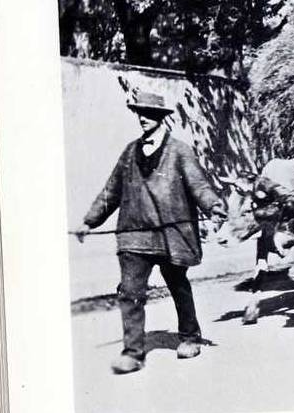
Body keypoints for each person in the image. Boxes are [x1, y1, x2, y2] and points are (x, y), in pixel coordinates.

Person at [74, 91, 226, 374]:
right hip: (134, 234)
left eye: (149, 113)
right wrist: (89, 221)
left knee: (178, 284)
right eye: (139, 113)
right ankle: (132, 353)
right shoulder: (130, 152)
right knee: (130, 292)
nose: (143, 118)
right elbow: (111, 191)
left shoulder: (180, 151)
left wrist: (215, 207)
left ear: (161, 117)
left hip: (171, 234)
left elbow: (198, 185)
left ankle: (190, 337)